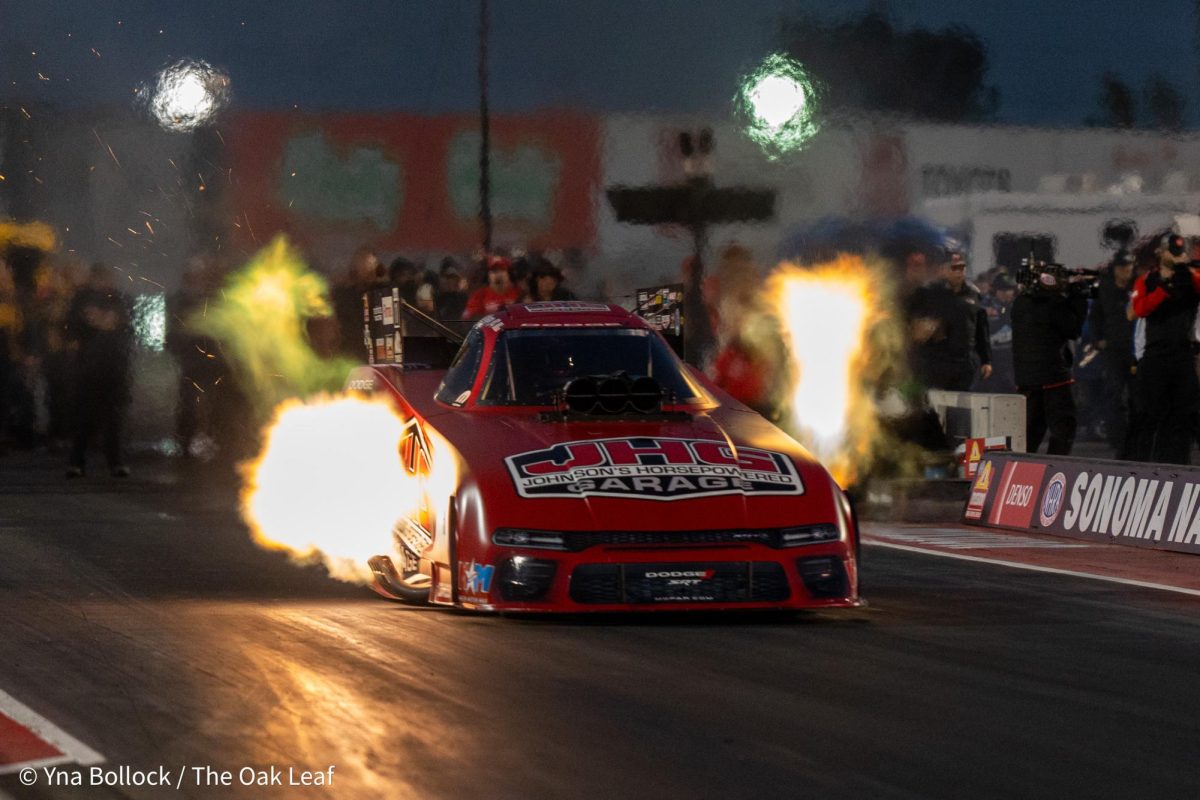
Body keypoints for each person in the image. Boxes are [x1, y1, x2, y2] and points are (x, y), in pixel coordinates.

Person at [1130, 232, 1200, 464]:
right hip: (1155, 357)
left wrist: (1185, 271)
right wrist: (1164, 288)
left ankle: (1178, 464)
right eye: (1173, 250)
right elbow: (1139, 309)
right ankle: (1141, 465)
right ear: (1160, 253)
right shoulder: (1148, 280)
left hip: (1182, 355)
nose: (1177, 254)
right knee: (1148, 414)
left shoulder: (1190, 278)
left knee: (1184, 414)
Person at [1011, 263, 1089, 455]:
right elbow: (1073, 329)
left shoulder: (1020, 302)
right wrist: (1078, 298)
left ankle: (1022, 468)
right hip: (1053, 377)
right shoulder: (1054, 305)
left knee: (1033, 428)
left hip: (1027, 378)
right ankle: (1056, 469)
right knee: (1064, 426)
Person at [65, 263, 134, 477]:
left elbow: (127, 326)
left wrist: (105, 321)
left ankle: (115, 461)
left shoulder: (120, 299)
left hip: (114, 367)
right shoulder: (81, 299)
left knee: (114, 418)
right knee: (85, 418)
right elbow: (72, 326)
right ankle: (77, 462)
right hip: (90, 368)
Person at [909, 252, 992, 391]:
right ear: (943, 269)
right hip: (935, 360)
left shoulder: (973, 293)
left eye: (962, 268)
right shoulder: (927, 293)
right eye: (954, 268)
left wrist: (986, 359)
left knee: (960, 404)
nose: (958, 272)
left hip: (964, 360)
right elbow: (911, 322)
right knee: (934, 404)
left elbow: (980, 329)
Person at [1088, 249, 1136, 456]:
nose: (1125, 271)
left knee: (1136, 395)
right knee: (1114, 393)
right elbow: (1095, 316)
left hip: (1135, 349)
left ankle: (1136, 437)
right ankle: (1117, 436)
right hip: (1113, 349)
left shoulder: (1138, 287)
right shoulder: (1104, 289)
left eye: (1128, 267)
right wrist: (1097, 339)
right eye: (1122, 267)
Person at [462, 256, 520, 320]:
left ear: (509, 274)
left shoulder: (519, 293)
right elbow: (467, 318)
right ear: (488, 275)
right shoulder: (479, 295)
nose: (498, 274)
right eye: (494, 271)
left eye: (502, 270)